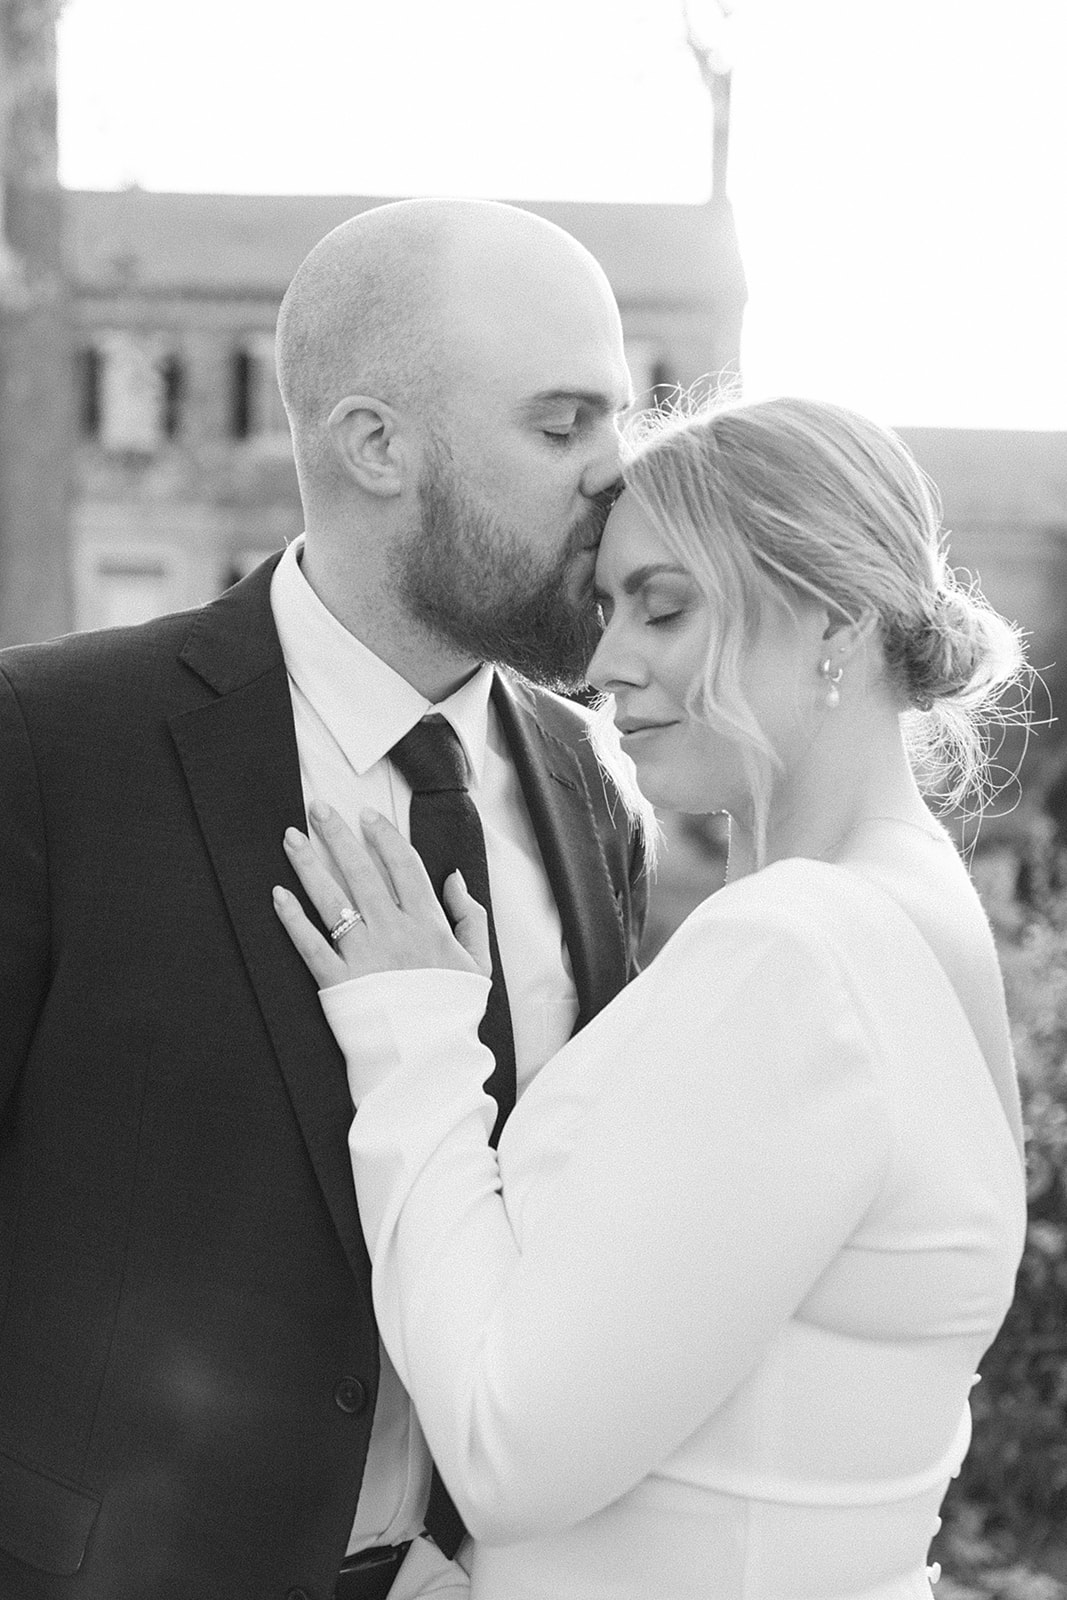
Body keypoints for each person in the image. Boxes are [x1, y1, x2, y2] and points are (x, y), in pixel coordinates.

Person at [276, 396, 1029, 1600]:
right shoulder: (917, 905)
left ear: (832, 616)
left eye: (662, 606)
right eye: (605, 606)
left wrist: (413, 1032)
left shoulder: (798, 951)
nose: (604, 661)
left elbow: (510, 1454)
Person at [0, 198, 646, 1600]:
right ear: (373, 445)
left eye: (622, 417)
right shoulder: (46, 747)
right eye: (561, 425)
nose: (620, 475)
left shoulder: (594, 783)